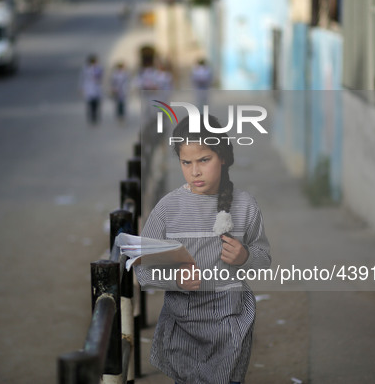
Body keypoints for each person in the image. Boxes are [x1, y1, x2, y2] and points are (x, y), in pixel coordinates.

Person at [135, 115, 271, 384]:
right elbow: (143, 270)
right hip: (182, 332)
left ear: (222, 157)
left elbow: (264, 259)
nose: (194, 171)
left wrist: (245, 257)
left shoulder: (245, 206)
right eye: (186, 162)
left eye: (203, 160)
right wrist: (175, 279)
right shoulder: (167, 209)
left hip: (230, 329)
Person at [79, 54, 104, 124]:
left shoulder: (99, 68)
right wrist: (81, 88)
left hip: (96, 88)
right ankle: (91, 117)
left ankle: (95, 117)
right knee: (90, 104)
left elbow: (100, 77)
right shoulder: (85, 69)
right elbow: (82, 78)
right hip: (88, 88)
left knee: (96, 104)